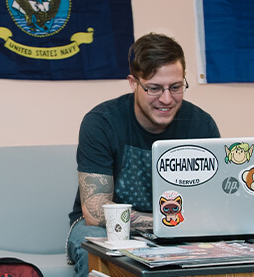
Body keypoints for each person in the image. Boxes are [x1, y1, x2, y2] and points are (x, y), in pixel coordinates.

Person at [65, 32, 220, 276]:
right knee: (91, 246)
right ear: (133, 82)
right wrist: (169, 222)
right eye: (154, 88)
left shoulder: (201, 125)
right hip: (108, 229)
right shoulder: (102, 122)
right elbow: (95, 212)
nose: (167, 99)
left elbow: (212, 203)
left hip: (181, 229)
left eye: (176, 87)